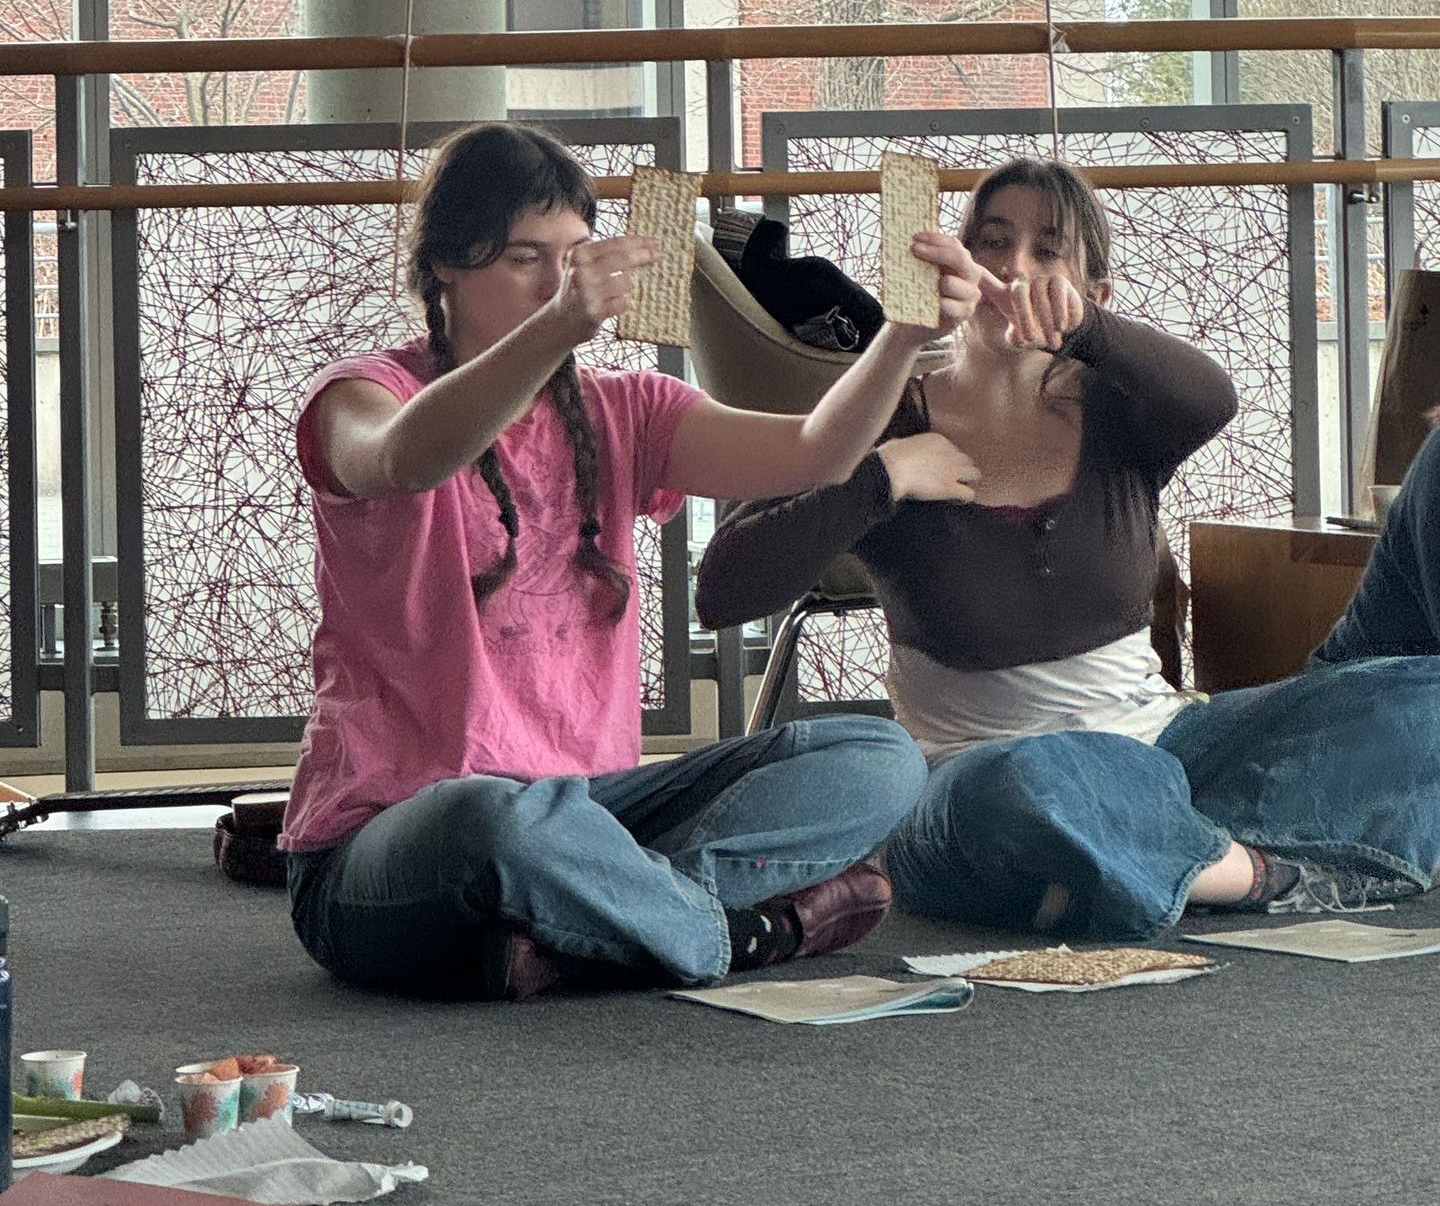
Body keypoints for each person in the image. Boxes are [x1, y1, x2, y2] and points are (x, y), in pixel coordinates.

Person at [280, 122, 1000, 1001]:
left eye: (575, 255)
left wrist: (900, 336)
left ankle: (592, 924)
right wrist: (560, 323)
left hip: (593, 815)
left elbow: (818, 452)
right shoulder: (360, 394)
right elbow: (404, 458)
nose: (557, 282)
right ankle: (729, 933)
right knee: (492, 816)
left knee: (878, 757)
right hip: (389, 844)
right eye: (522, 258)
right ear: (444, 268)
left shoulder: (629, 410)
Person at [697, 156, 1440, 943]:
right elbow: (723, 591)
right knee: (1032, 781)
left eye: (1048, 251)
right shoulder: (887, 417)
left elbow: (1214, 398)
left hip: (1167, 747)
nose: (1014, 267)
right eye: (993, 241)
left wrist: (1087, 332)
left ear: (1096, 294)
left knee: (1418, 700)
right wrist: (878, 481)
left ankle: (1148, 859)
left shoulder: (1121, 415)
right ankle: (1258, 872)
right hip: (977, 776)